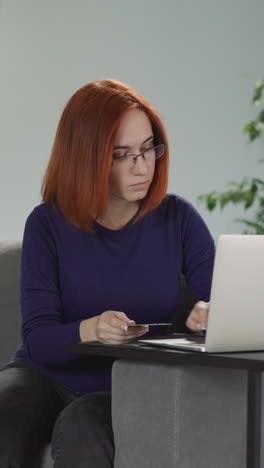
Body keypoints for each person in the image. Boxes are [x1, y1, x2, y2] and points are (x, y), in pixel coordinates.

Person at [0, 79, 215, 467]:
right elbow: (38, 340)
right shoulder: (47, 224)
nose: (142, 166)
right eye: (123, 154)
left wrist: (210, 313)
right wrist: (92, 328)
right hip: (43, 375)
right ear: (87, 157)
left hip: (126, 383)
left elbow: (219, 300)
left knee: (83, 426)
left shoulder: (179, 220)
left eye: (149, 149)